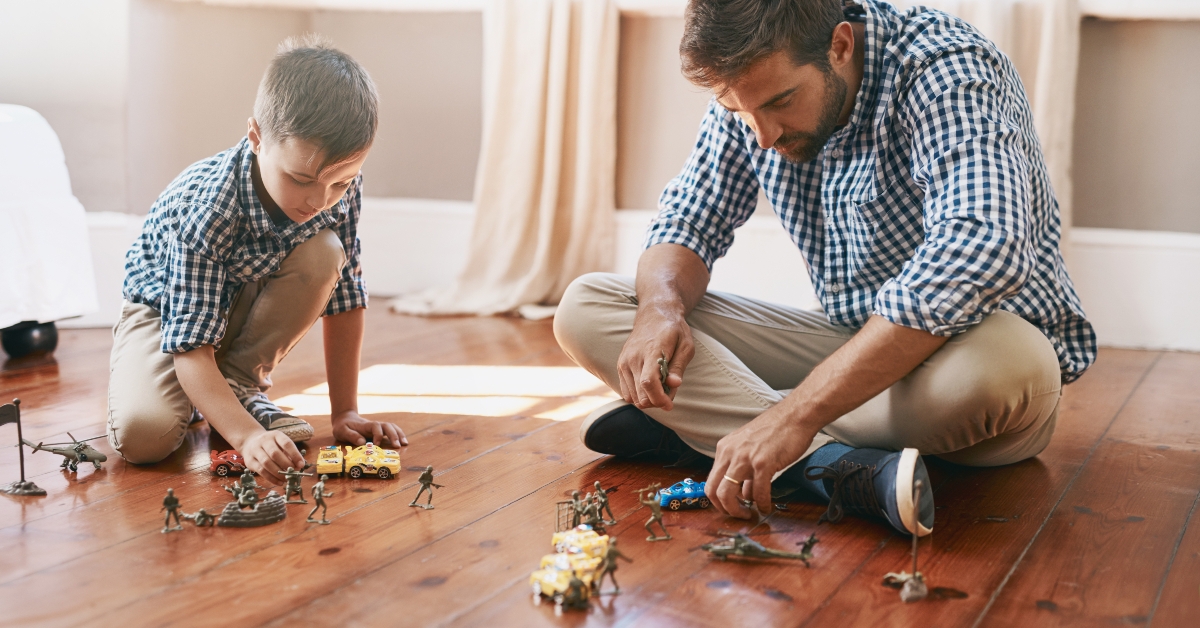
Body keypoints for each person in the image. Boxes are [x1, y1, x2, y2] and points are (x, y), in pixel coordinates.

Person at [554, 0, 1096, 538]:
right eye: (742, 114)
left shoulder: (947, 65)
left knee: (1001, 368)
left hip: (973, 360)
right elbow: (689, 219)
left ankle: (708, 430)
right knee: (589, 306)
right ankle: (830, 467)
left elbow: (982, 246)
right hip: (849, 344)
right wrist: (659, 309)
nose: (762, 135)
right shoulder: (752, 92)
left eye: (780, 102)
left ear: (840, 45)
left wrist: (792, 419)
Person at [106, 35, 407, 484]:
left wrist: (345, 411)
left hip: (240, 300)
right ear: (257, 137)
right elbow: (189, 344)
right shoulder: (209, 207)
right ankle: (199, 394)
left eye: (341, 183)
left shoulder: (336, 189)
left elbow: (344, 297)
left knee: (327, 251)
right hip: (166, 310)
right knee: (144, 438)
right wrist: (247, 438)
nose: (320, 200)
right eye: (300, 179)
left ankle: (236, 384)